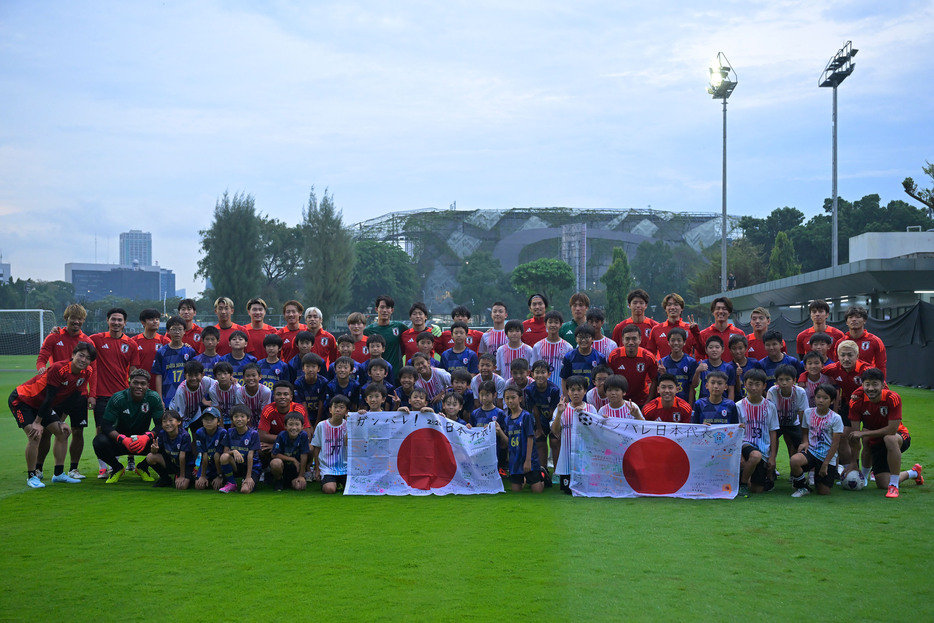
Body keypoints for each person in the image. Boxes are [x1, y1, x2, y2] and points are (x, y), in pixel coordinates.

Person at [10, 341, 96, 487]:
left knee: (63, 433)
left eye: (88, 358)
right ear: (73, 355)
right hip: (23, 400)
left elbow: (73, 397)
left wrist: (61, 421)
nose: (84, 360)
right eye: (81, 355)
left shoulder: (87, 372)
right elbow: (49, 398)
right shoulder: (59, 368)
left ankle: (58, 474)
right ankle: (32, 476)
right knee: (35, 435)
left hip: (42, 404)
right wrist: (37, 423)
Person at [847, 368, 922, 498]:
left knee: (889, 438)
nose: (871, 388)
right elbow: (855, 435)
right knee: (882, 484)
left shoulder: (892, 398)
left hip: (899, 437)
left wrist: (864, 433)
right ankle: (914, 472)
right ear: (862, 385)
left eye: (875, 384)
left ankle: (894, 486)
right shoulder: (856, 401)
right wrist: (853, 462)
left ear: (883, 385)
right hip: (876, 441)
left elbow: (892, 430)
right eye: (867, 384)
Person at [89, 307, 141, 478]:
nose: (116, 323)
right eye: (113, 319)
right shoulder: (96, 340)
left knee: (118, 430)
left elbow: (134, 371)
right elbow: (79, 340)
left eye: (120, 320)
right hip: (102, 395)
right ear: (107, 320)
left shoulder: (131, 344)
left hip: (122, 396)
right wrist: (58, 330)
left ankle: (114, 466)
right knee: (100, 430)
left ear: (125, 323)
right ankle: (103, 467)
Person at [92, 368, 162, 484]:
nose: (139, 386)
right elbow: (105, 426)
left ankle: (143, 467)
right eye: (135, 382)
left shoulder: (153, 398)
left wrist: (147, 437)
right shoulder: (118, 398)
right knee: (98, 441)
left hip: (142, 441)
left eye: (143, 384)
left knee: (164, 441)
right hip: (120, 441)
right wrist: (122, 439)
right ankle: (117, 467)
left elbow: (160, 425)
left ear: (148, 386)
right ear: (129, 383)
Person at [789, 384, 843, 498]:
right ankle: (802, 486)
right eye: (818, 397)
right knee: (794, 460)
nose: (821, 400)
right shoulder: (808, 412)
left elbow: (835, 444)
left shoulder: (836, 418)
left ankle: (821, 477)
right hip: (812, 451)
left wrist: (825, 464)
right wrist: (805, 442)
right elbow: (804, 431)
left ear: (832, 401)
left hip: (827, 456)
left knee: (823, 491)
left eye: (825, 398)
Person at [735, 369, 779, 497]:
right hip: (745, 444)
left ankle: (746, 478)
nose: (753, 388)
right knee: (755, 456)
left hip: (763, 448)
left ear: (764, 386)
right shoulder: (738, 406)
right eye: (750, 384)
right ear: (745, 384)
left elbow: (773, 432)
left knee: (757, 489)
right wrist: (740, 455)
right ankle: (743, 484)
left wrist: (772, 457)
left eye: (757, 384)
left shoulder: (770, 406)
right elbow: (735, 433)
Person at [550, 375, 597, 494]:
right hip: (567, 455)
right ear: (567, 392)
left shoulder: (590, 409)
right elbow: (555, 430)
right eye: (572, 390)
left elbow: (595, 431)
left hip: (585, 454)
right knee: (567, 491)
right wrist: (560, 413)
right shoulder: (562, 408)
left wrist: (584, 414)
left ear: (585, 391)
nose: (576, 393)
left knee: (585, 489)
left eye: (579, 390)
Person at [496, 386, 544, 493]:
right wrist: (499, 431)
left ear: (520, 399)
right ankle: (524, 479)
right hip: (515, 460)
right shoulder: (507, 419)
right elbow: (509, 441)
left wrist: (528, 461)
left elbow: (530, 438)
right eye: (507, 398)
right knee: (516, 491)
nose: (510, 401)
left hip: (529, 458)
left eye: (513, 397)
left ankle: (543, 478)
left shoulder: (526, 416)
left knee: (537, 491)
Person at [257, 381, 311, 464]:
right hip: (276, 443)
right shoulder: (268, 409)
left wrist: (283, 444)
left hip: (295, 444)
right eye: (278, 394)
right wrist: (279, 445)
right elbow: (262, 435)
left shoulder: (299, 409)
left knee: (310, 447)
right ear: (274, 397)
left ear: (291, 397)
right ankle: (266, 470)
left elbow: (307, 435)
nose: (282, 397)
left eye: (286, 394)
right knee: (260, 448)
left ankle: (306, 470)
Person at [606, 324, 657, 406]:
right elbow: (609, 379)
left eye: (634, 338)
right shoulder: (614, 356)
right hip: (620, 401)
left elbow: (655, 380)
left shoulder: (648, 357)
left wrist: (648, 402)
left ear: (640, 339)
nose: (630, 342)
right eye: (627, 339)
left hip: (642, 401)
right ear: (622, 340)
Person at [766, 364, 808, 465]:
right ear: (776, 381)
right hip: (776, 424)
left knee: (800, 445)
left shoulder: (800, 392)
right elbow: (769, 414)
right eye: (781, 379)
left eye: (787, 379)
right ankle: (771, 468)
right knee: (769, 443)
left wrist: (804, 436)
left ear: (794, 380)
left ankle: (796, 469)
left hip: (793, 423)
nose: (784, 383)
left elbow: (802, 415)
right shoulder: (772, 391)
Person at [152, 316, 197, 407]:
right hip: (167, 396)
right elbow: (158, 376)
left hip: (186, 396)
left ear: (184, 331)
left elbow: (194, 375)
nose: (177, 332)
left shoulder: (190, 351)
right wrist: (160, 399)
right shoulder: (162, 352)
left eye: (180, 329)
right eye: (174, 329)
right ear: (168, 331)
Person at [145, 410, 193, 489]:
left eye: (171, 420)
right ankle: (165, 478)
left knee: (182, 487)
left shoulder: (184, 435)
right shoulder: (162, 433)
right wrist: (154, 449)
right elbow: (156, 451)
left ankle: (186, 476)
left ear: (179, 422)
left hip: (185, 465)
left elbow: (182, 457)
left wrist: (182, 476)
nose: (167, 424)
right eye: (164, 421)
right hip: (171, 462)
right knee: (150, 457)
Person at [218, 405, 261, 493]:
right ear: (232, 419)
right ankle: (231, 483)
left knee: (245, 490)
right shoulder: (229, 432)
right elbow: (225, 452)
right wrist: (234, 451)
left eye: (242, 416)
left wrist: (248, 476)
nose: (239, 419)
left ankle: (247, 479)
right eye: (236, 416)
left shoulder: (253, 434)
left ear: (248, 418)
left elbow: (250, 455)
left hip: (252, 467)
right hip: (237, 465)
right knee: (224, 457)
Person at [312, 394, 349, 494]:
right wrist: (317, 470)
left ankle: (339, 482)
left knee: (351, 489)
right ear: (330, 410)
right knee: (329, 489)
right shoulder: (321, 425)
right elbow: (317, 448)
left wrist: (350, 424)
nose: (338, 410)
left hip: (345, 467)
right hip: (327, 468)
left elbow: (349, 444)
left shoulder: (349, 425)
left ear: (346, 411)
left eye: (341, 407)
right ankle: (333, 483)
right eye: (335, 407)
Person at [835, 305, 886, 375]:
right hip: (847, 384)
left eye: (857, 317)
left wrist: (882, 384)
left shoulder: (875, 341)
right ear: (846, 322)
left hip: (868, 382)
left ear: (864, 320)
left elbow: (881, 366)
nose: (854, 319)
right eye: (850, 317)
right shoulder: (840, 343)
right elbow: (836, 365)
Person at [646, 293, 701, 358]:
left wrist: (696, 333)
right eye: (669, 305)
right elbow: (649, 354)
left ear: (681, 308)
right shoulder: (656, 329)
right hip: (663, 367)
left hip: (686, 367)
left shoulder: (690, 329)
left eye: (676, 304)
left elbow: (702, 351)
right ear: (665, 309)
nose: (672, 307)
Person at [364, 295, 408, 372]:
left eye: (387, 307)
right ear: (376, 309)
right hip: (376, 373)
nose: (384, 310)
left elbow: (414, 334)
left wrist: (432, 330)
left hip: (395, 374)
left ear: (392, 310)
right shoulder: (368, 330)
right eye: (382, 307)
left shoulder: (399, 327)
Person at [168, 360, 213, 434]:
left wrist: (231, 380)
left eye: (196, 375)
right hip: (179, 415)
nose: (194, 378)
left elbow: (218, 385)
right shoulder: (181, 391)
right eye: (190, 375)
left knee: (198, 435)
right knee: (183, 437)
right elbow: (180, 415)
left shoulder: (205, 381)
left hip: (194, 413)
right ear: (185, 375)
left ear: (202, 375)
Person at [530, 310, 573, 388]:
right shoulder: (538, 346)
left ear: (561, 325)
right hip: (541, 390)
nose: (553, 325)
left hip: (561, 390)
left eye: (556, 322)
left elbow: (569, 373)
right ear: (545, 324)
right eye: (550, 322)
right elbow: (533, 368)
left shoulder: (568, 347)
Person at [269, 412, 310, 491]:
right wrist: (293, 459)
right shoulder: (281, 436)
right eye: (290, 424)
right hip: (283, 467)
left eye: (297, 424)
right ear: (285, 426)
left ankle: (301, 477)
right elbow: (274, 454)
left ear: (302, 426)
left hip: (296, 468)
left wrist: (301, 475)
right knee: (275, 463)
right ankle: (279, 480)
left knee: (299, 487)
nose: (294, 427)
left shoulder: (304, 436)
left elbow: (304, 454)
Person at [559, 324, 606, 392]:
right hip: (574, 396)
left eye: (587, 337)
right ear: (576, 339)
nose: (583, 340)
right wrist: (566, 398)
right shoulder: (569, 357)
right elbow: (564, 379)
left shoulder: (600, 357)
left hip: (593, 398)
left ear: (593, 338)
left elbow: (602, 379)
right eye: (580, 337)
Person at [658, 327, 698, 405]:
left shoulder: (691, 362)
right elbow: (661, 386)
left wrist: (690, 405)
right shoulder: (663, 362)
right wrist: (663, 374)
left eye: (679, 340)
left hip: (685, 402)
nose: (676, 343)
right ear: (668, 342)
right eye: (673, 340)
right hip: (668, 403)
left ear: (684, 342)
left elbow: (692, 387)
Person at [699, 297, 745, 363]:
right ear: (713, 312)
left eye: (724, 309)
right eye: (717, 308)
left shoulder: (739, 333)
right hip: (711, 373)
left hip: (733, 372)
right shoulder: (703, 334)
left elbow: (744, 358)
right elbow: (699, 357)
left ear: (729, 312)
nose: (720, 311)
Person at [132, 308, 167, 393]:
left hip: (160, 387)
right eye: (151, 319)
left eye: (157, 319)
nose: (155, 322)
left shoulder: (165, 341)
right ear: (143, 322)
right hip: (140, 387)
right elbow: (131, 367)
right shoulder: (133, 341)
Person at [692, 336, 736, 401]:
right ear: (706, 350)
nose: (714, 350)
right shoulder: (701, 365)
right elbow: (694, 385)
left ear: (722, 349)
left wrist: (729, 406)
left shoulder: (729, 368)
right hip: (704, 404)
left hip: (723, 404)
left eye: (717, 347)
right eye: (711, 347)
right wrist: (697, 371)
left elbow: (731, 391)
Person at [194, 407, 227, 491]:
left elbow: (218, 455)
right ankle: (207, 477)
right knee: (199, 486)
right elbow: (203, 454)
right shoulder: (199, 433)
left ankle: (221, 477)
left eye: (212, 419)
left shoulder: (222, 433)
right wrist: (203, 476)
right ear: (202, 421)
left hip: (219, 464)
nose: (208, 422)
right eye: (206, 419)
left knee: (218, 486)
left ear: (218, 421)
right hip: (207, 464)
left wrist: (220, 475)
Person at [294, 353, 329, 427]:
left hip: (320, 417)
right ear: (303, 368)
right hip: (304, 417)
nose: (310, 370)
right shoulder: (298, 383)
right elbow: (302, 405)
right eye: (307, 366)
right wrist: (308, 425)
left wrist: (317, 423)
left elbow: (321, 403)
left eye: (313, 367)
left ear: (319, 369)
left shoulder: (323, 382)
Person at [208, 361, 242, 426]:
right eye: (219, 374)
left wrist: (232, 427)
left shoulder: (237, 388)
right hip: (220, 418)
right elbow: (217, 409)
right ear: (215, 376)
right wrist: (221, 427)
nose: (223, 377)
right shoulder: (213, 390)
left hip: (235, 417)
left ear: (231, 375)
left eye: (225, 373)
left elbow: (238, 408)